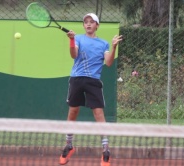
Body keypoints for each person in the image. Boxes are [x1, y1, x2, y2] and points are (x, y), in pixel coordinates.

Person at [59, 13, 122, 166]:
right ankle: (68, 145)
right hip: (77, 79)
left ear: (97, 25)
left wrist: (113, 47)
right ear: (83, 25)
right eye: (86, 22)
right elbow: (74, 55)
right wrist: (72, 40)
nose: (88, 24)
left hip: (93, 81)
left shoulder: (103, 44)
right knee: (73, 111)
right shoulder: (78, 38)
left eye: (91, 22)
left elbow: (108, 62)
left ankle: (106, 150)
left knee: (98, 113)